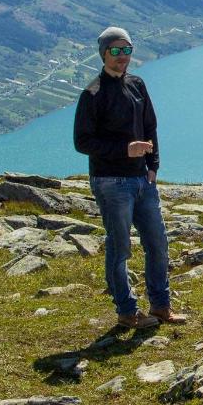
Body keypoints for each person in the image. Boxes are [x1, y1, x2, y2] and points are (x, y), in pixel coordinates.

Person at [73, 26, 187, 329]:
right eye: (115, 50)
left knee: (157, 243)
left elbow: (150, 127)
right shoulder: (92, 93)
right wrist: (126, 149)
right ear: (103, 53)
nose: (122, 57)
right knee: (120, 247)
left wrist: (153, 167)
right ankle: (126, 310)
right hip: (111, 182)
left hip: (142, 180)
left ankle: (161, 306)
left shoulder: (137, 84)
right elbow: (82, 142)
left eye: (127, 50)